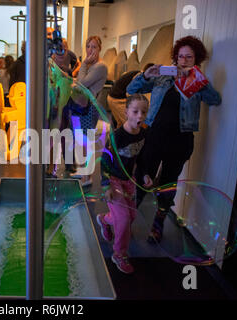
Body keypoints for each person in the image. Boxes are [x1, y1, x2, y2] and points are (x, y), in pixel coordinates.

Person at [127, 35, 222, 243]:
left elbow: (215, 100)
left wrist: (200, 82)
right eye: (181, 56)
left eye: (189, 57)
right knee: (143, 178)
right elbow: (131, 90)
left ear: (196, 59)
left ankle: (157, 225)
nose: (184, 60)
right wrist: (145, 74)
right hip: (154, 137)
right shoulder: (163, 77)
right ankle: (126, 222)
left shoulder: (197, 82)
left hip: (181, 141)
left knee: (168, 185)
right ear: (175, 58)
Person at [97, 94, 153, 274]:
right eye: (135, 111)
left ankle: (104, 220)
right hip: (113, 180)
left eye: (143, 112)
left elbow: (143, 158)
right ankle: (119, 254)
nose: (139, 116)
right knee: (123, 219)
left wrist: (144, 174)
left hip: (129, 180)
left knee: (131, 216)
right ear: (126, 111)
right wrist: (106, 185)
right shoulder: (117, 136)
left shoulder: (144, 134)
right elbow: (104, 160)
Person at [68, 35, 108, 186]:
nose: (90, 50)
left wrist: (83, 63)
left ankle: (88, 176)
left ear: (100, 49)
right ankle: (83, 172)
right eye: (88, 46)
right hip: (83, 106)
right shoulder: (93, 66)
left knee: (86, 142)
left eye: (94, 47)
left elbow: (81, 84)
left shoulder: (100, 66)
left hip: (90, 107)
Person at [107, 63, 154, 128]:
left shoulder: (138, 75)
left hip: (112, 97)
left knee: (121, 124)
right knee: (130, 124)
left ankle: (118, 137)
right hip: (117, 100)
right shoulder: (139, 77)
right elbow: (129, 94)